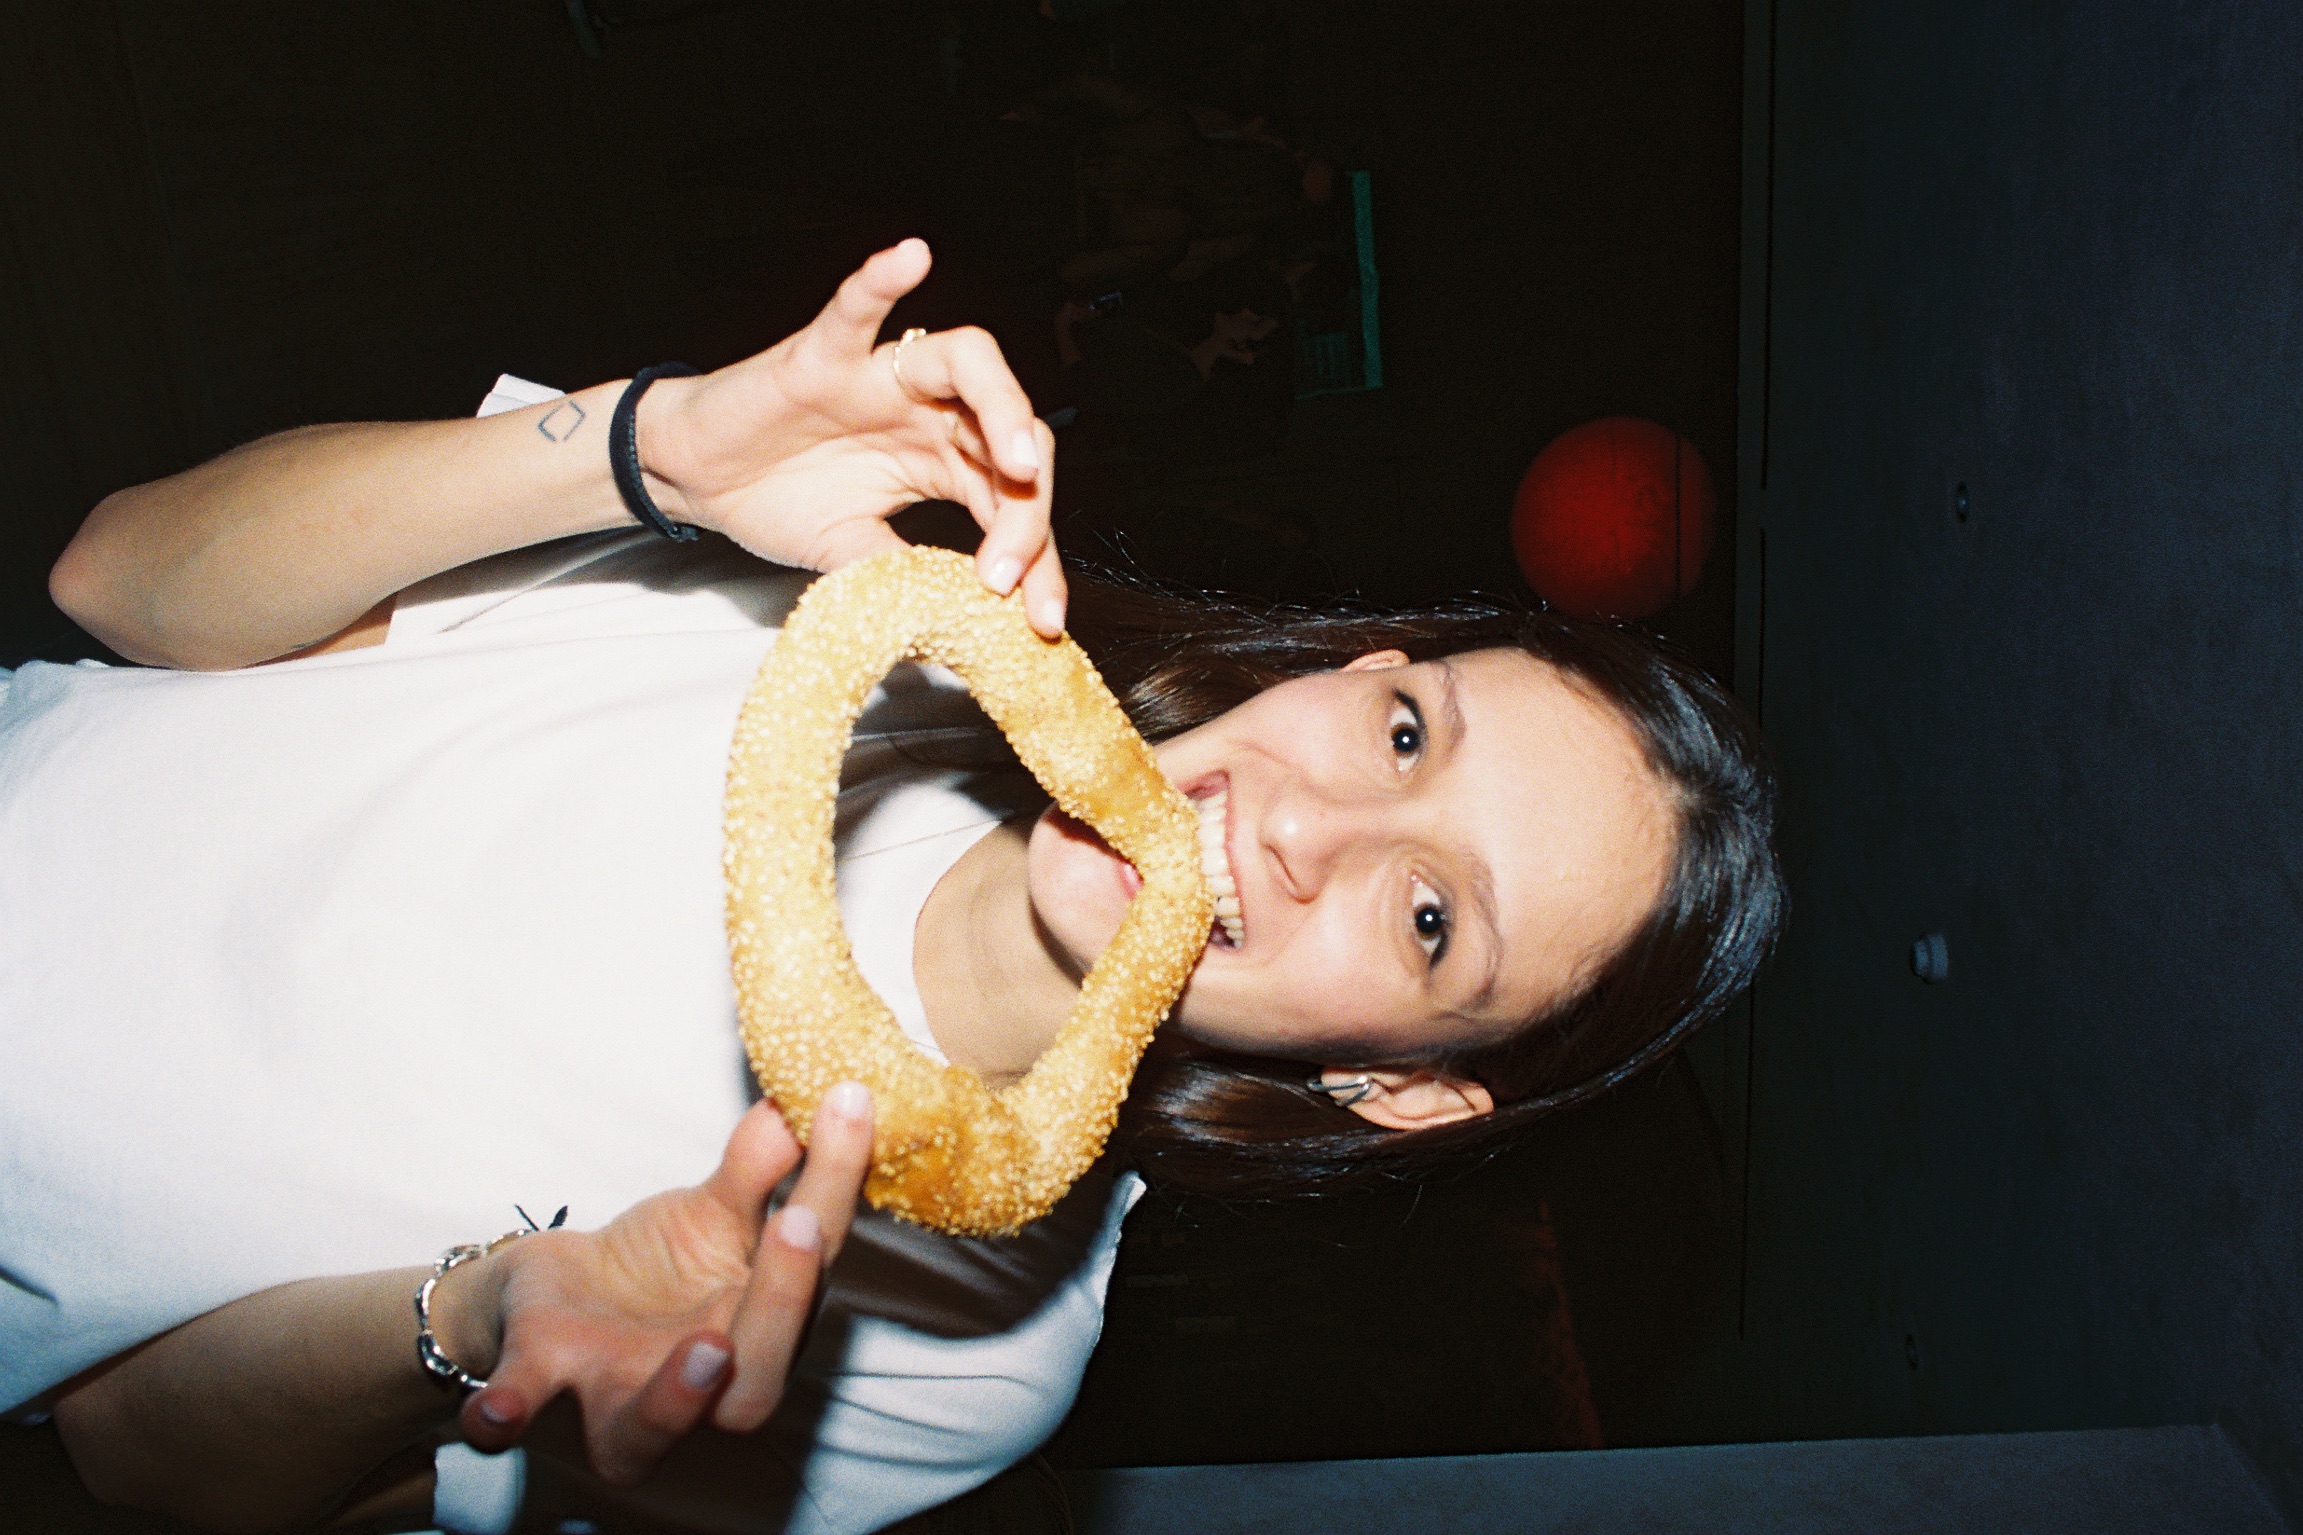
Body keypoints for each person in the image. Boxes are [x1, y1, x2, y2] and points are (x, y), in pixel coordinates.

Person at [3, 240, 1782, 1532]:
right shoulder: (803, 583)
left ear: (1398, 1088)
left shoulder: (959, 1362)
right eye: (1406, 733)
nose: (1309, 825)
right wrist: (654, 449)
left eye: (1427, 918)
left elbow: (132, 1465)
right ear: (1354, 664)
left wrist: (472, 1319)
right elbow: (117, 577)